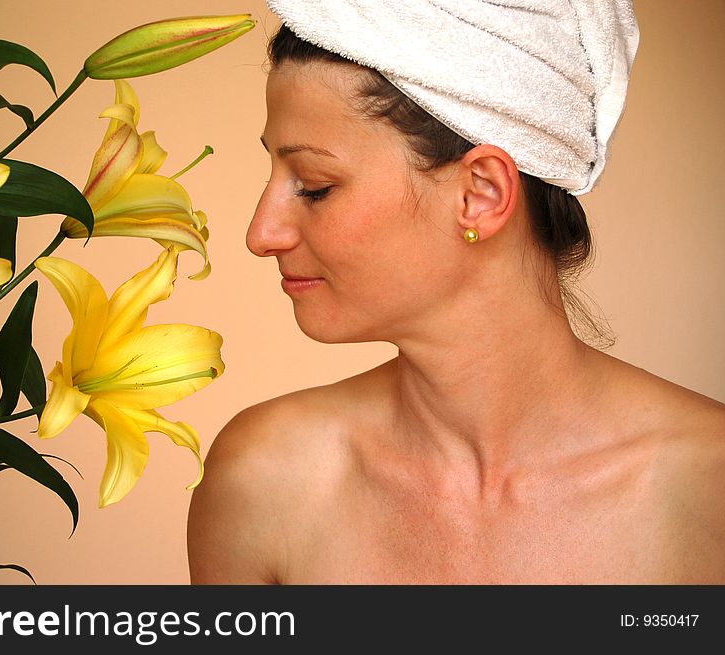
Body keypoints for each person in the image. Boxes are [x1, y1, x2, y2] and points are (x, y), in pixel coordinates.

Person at [187, 0, 725, 583]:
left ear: (482, 195)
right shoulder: (267, 479)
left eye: (315, 187)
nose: (261, 235)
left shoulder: (707, 486)